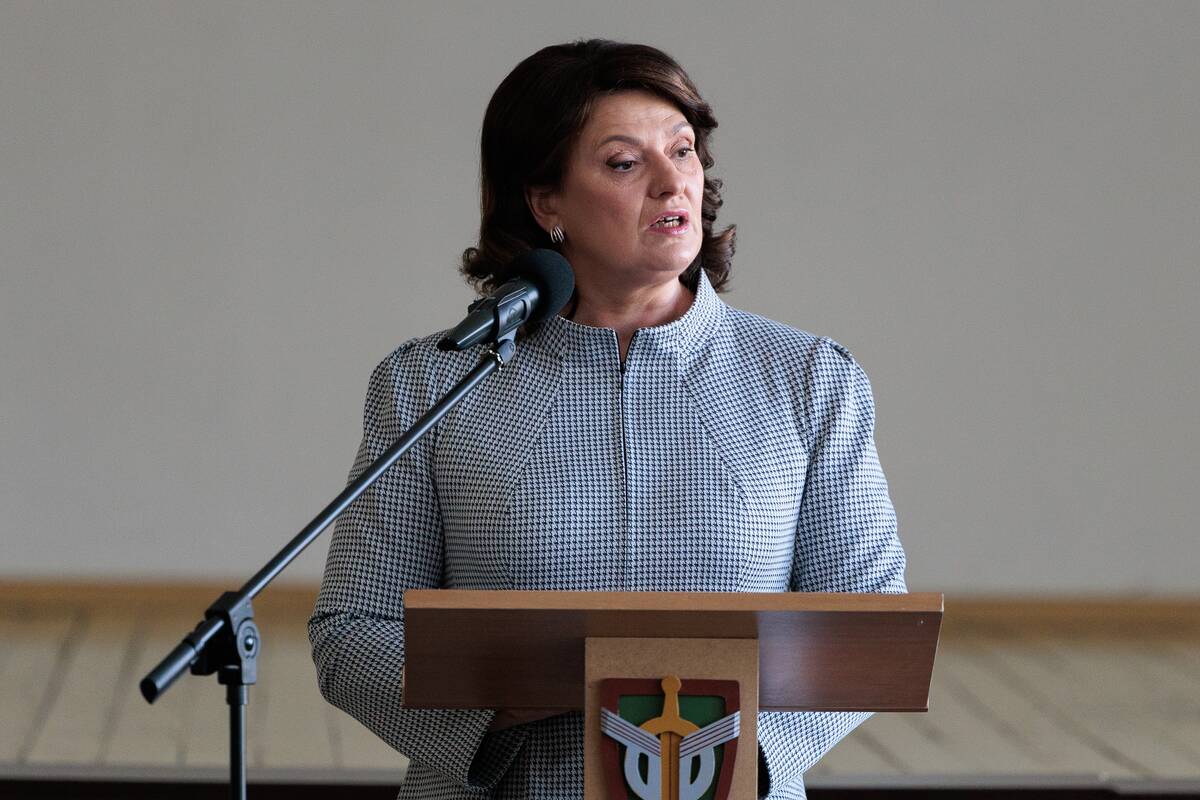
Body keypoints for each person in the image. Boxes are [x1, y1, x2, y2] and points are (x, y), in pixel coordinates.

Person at [309, 39, 906, 800]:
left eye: (683, 151)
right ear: (546, 202)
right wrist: (526, 694)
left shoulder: (809, 378)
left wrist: (732, 751)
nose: (672, 181)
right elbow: (352, 631)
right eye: (625, 163)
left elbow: (870, 626)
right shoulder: (431, 382)